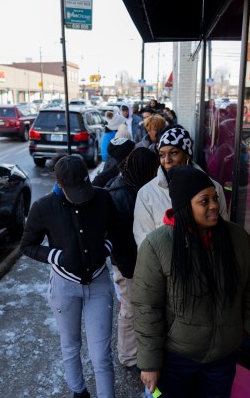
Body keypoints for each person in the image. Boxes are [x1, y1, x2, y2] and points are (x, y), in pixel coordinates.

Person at [133, 165, 250, 398]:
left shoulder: (238, 239)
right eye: (204, 201)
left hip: (223, 358)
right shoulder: (158, 245)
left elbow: (248, 287)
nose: (214, 206)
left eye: (215, 198)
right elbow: (146, 307)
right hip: (177, 359)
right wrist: (149, 364)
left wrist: (245, 326)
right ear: (184, 206)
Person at [20, 155, 121, 398]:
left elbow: (118, 230)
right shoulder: (43, 207)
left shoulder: (102, 197)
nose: (81, 196)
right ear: (59, 183)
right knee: (70, 345)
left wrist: (104, 248)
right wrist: (58, 257)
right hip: (64, 287)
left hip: (98, 283)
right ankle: (78, 391)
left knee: (101, 354)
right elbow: (27, 245)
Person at [106, 147, 160, 371]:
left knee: (138, 310)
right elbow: (119, 238)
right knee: (129, 311)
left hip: (138, 262)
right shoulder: (122, 194)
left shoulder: (132, 185)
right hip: (129, 264)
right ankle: (128, 356)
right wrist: (129, 269)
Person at [133, 127, 228, 248]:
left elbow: (223, 229)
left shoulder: (214, 188)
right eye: (162, 155)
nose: (167, 160)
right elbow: (144, 240)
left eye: (173, 153)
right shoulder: (147, 193)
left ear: (187, 155)